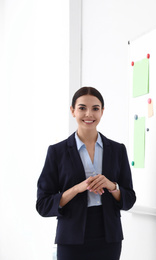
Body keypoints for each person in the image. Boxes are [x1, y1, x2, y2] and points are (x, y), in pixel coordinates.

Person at [36, 87, 136, 260]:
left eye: (95, 108)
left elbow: (130, 199)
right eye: (82, 108)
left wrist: (111, 186)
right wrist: (76, 189)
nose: (89, 114)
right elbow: (43, 205)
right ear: (72, 110)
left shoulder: (118, 150)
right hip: (71, 238)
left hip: (108, 237)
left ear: (102, 112)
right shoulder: (57, 152)